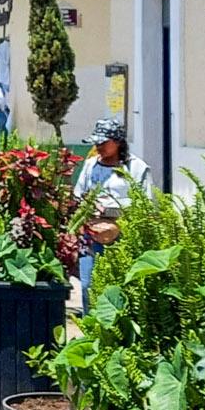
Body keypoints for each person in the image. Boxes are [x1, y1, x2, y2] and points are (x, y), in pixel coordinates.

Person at [73, 118, 154, 309]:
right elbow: (78, 195)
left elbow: (145, 205)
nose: (98, 146)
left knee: (118, 288)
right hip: (91, 236)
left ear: (117, 142)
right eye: (96, 142)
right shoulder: (91, 165)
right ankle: (90, 330)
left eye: (103, 142)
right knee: (88, 285)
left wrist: (115, 214)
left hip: (122, 237)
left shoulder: (136, 169)